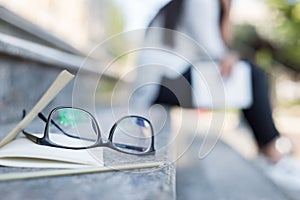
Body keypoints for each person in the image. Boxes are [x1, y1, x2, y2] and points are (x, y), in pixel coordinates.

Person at [132, 0, 300, 190]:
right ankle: (273, 156)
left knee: (247, 77)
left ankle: (270, 154)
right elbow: (213, 45)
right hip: (162, 84)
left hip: (161, 84)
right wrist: (227, 12)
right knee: (253, 76)